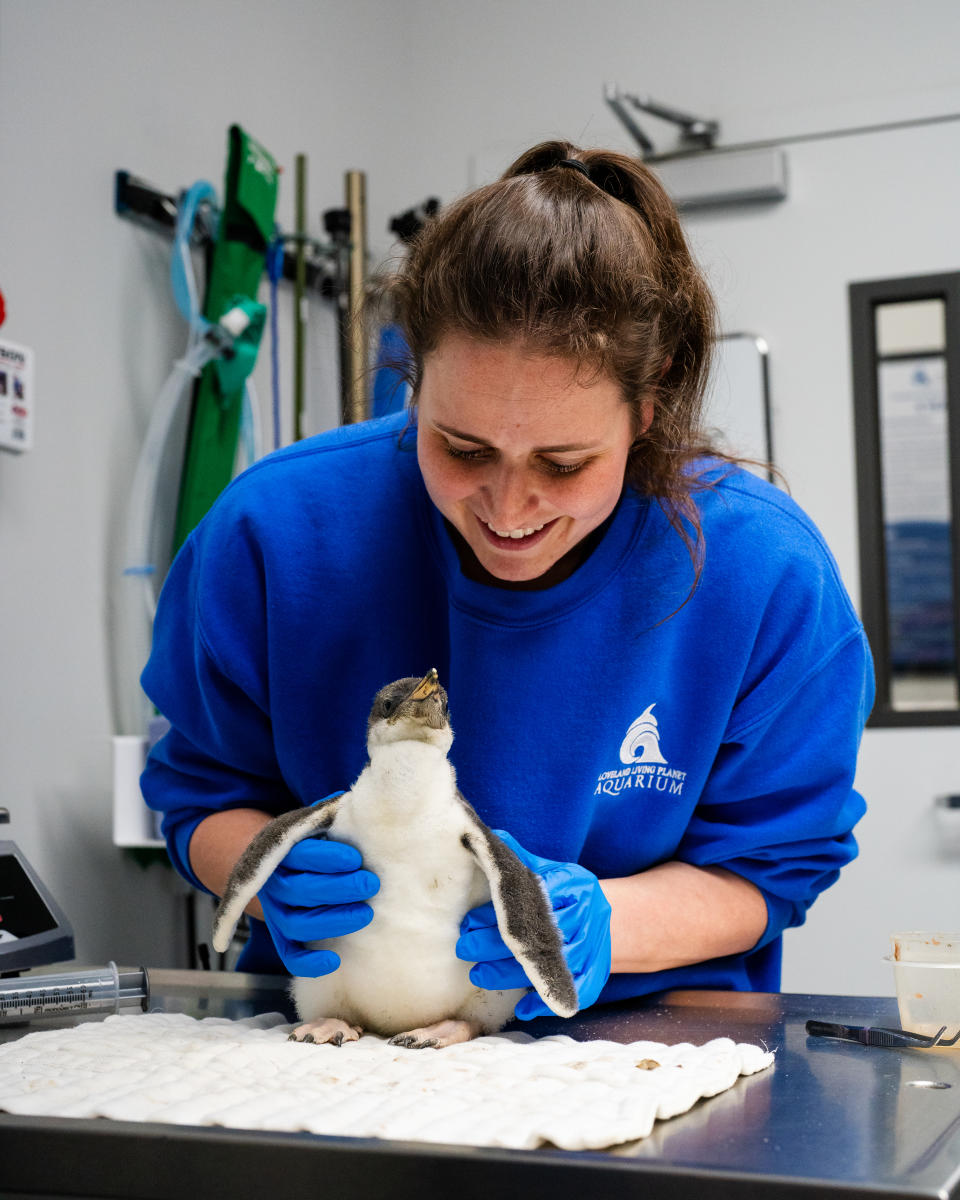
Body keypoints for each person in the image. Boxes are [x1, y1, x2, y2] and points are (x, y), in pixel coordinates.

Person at [141, 140, 874, 1014]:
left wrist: (609, 921)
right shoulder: (278, 532)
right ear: (410, 375)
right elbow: (200, 794)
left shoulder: (763, 575)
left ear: (650, 402)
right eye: (462, 448)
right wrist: (270, 875)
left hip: (646, 1046)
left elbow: (771, 868)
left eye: (564, 463)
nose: (508, 507)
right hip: (341, 1046)